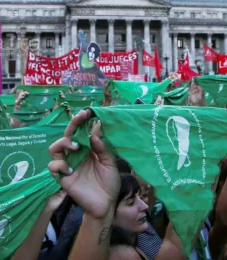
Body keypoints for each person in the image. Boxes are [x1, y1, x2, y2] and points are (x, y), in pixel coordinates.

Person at [48, 109, 185, 260]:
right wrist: (97, 217)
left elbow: (174, 245)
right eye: (131, 202)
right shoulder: (113, 246)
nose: (145, 206)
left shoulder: (143, 235)